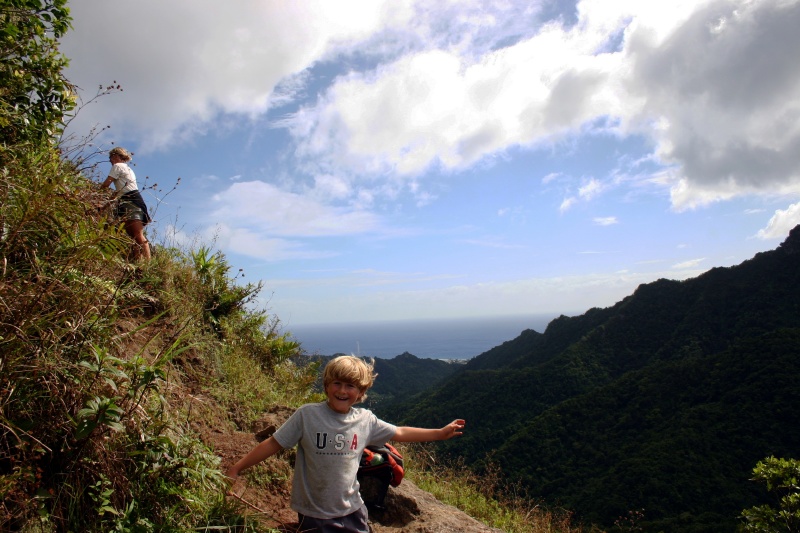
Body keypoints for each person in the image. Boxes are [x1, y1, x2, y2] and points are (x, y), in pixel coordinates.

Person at [226, 355, 465, 533]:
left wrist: (439, 433)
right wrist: (237, 468)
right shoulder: (307, 415)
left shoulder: (364, 420)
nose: (342, 390)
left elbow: (399, 432)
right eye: (337, 383)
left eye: (350, 386)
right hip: (314, 512)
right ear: (327, 385)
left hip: (353, 508)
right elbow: (274, 443)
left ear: (361, 392)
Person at [100, 147, 151, 261]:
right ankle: (138, 262)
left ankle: (147, 264)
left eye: (111, 157)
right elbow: (118, 192)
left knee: (137, 235)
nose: (110, 160)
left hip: (131, 201)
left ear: (116, 156)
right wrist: (104, 207)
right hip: (127, 200)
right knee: (133, 236)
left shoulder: (117, 166)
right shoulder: (127, 169)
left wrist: (97, 193)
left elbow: (106, 185)